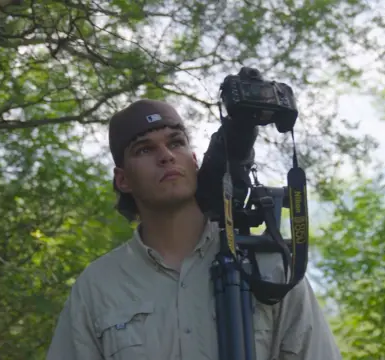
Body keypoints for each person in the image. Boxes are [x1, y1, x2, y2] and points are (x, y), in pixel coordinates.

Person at [46, 99, 342, 360]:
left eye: (175, 143)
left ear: (194, 159)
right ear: (122, 180)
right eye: (144, 149)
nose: (166, 155)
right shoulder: (98, 286)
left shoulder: (267, 269)